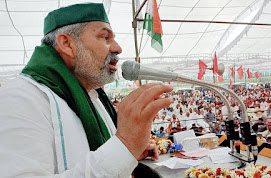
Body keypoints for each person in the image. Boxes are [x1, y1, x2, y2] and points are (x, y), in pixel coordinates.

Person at [0, 3, 174, 177]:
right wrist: (124, 147)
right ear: (67, 44)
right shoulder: (20, 99)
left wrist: (129, 154)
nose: (117, 48)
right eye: (105, 37)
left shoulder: (93, 97)